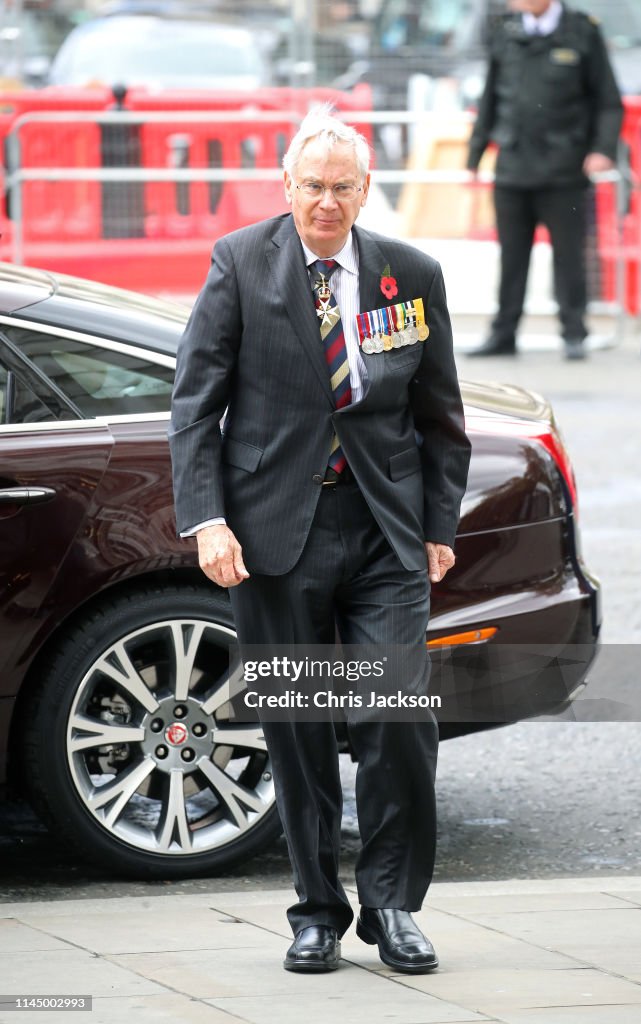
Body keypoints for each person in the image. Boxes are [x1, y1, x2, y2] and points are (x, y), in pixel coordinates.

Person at [169, 107, 471, 974]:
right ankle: (314, 913)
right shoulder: (240, 262)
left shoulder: (408, 275)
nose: (326, 204)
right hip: (271, 532)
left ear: (365, 190)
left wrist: (437, 526)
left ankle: (391, 905)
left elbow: (439, 415)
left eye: (343, 189)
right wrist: (208, 518)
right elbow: (195, 405)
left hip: (383, 530)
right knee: (297, 728)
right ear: (287, 186)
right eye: (312, 188)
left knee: (397, 721)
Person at [466, 0, 623, 360]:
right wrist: (475, 154)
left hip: (564, 168)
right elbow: (489, 97)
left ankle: (574, 332)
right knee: (511, 256)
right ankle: (503, 333)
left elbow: (608, 100)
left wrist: (601, 149)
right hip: (513, 165)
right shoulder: (506, 31)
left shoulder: (582, 31)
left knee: (569, 255)